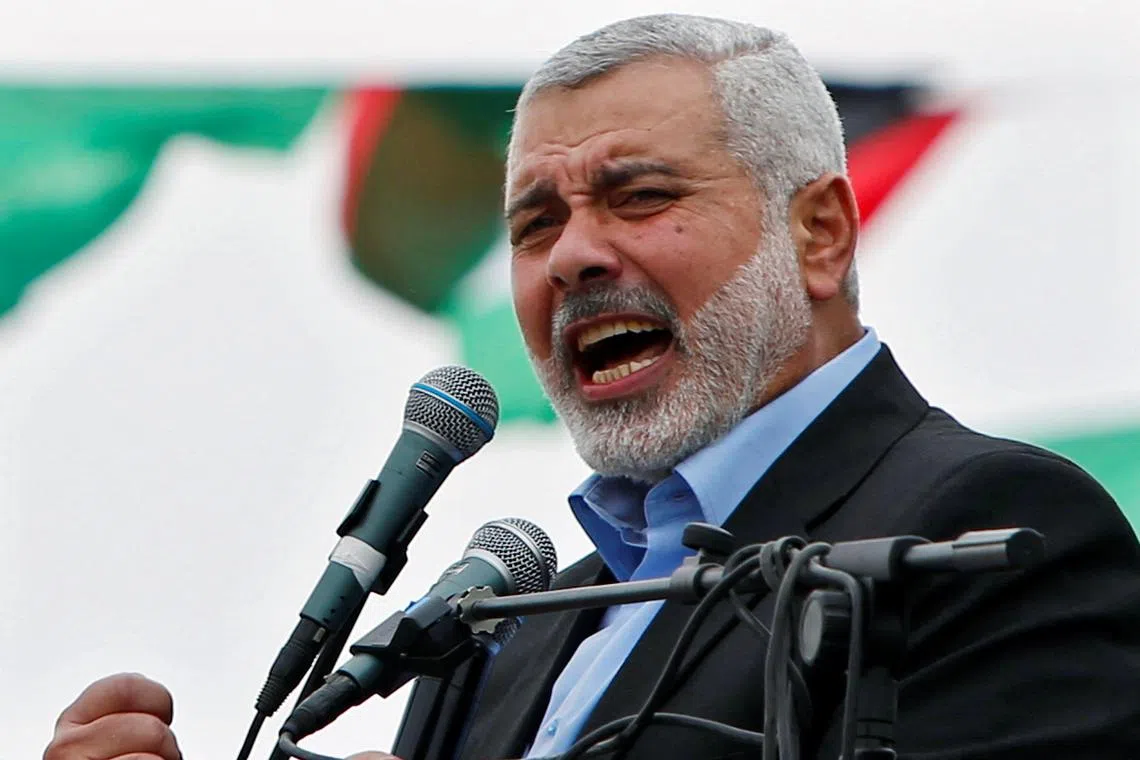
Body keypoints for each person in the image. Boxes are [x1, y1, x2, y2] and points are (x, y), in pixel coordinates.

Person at [43, 13, 1140, 760]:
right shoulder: (490, 635)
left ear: (818, 233)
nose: (570, 255)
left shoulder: (989, 528)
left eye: (639, 195)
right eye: (534, 223)